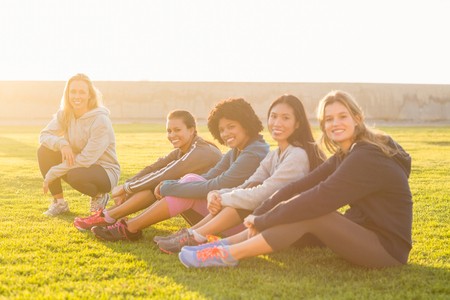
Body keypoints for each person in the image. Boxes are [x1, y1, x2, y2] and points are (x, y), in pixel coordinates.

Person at [179, 90, 413, 269]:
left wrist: (265, 219)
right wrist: (262, 215)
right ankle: (222, 246)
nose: (335, 123)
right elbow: (300, 185)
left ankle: (227, 255)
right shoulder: (346, 154)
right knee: (300, 203)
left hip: (388, 249)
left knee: (314, 211)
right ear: (323, 125)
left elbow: (321, 196)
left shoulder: (366, 155)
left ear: (357, 119)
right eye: (329, 119)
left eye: (342, 116)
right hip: (362, 232)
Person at [157, 94, 326, 254]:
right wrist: (216, 194)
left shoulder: (297, 155)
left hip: (296, 231)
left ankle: (195, 236)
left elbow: (264, 193)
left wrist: (221, 197)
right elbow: (249, 184)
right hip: (273, 219)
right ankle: (194, 234)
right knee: (241, 195)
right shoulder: (275, 155)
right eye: (273, 116)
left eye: (285, 118)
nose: (277, 122)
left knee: (244, 201)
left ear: (298, 124)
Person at [91, 97, 270, 242]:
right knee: (191, 179)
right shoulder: (237, 151)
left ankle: (129, 227)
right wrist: (172, 184)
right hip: (221, 214)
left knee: (189, 181)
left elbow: (218, 183)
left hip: (243, 223)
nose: (225, 134)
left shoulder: (254, 152)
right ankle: (129, 226)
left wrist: (169, 186)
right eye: (222, 129)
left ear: (246, 124)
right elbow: (208, 177)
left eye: (231, 127)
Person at [73, 110, 223, 231]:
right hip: (204, 206)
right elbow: (154, 167)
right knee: (158, 182)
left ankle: (109, 218)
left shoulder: (201, 152)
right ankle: (107, 216)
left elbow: (165, 173)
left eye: (177, 130)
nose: (172, 135)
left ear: (191, 130)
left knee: (161, 184)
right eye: (169, 131)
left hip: (217, 214)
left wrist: (126, 188)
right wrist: (127, 185)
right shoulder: (183, 150)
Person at [38, 73, 120, 216]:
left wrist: (53, 172)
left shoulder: (100, 120)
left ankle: (100, 195)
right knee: (43, 151)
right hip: (78, 163)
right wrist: (62, 144)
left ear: (89, 95)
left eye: (82, 92)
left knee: (75, 175)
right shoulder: (65, 114)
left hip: (104, 171)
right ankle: (60, 204)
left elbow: (86, 159)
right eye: (73, 92)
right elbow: (44, 135)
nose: (77, 96)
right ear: (67, 94)